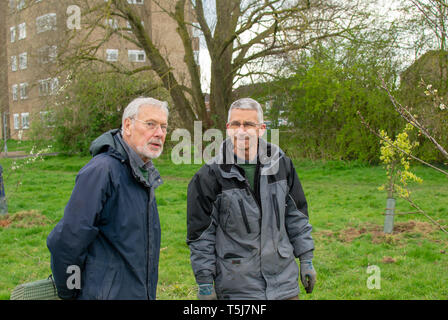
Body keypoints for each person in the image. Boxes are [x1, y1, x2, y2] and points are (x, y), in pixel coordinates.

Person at [186, 98, 316, 300]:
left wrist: (306, 259)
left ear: (261, 129)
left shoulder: (282, 166)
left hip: (284, 284)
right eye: (235, 124)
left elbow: (296, 216)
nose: (241, 130)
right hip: (238, 288)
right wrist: (204, 282)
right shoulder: (209, 176)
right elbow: (201, 236)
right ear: (228, 128)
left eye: (248, 124)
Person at [47, 97, 168, 300]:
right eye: (150, 124)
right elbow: (67, 242)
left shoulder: (142, 172)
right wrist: (70, 292)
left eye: (164, 127)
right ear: (128, 125)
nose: (159, 133)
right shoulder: (102, 171)